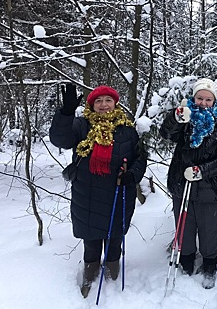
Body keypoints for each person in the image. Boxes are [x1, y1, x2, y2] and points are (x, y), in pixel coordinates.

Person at [49, 84, 147, 298]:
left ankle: (113, 264)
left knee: (115, 234)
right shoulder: (81, 125)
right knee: (91, 235)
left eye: (108, 100)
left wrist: (132, 175)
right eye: (99, 101)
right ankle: (91, 267)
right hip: (87, 191)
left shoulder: (127, 129)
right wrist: (65, 114)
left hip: (119, 190)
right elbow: (60, 140)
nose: (103, 105)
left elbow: (140, 158)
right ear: (92, 105)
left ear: (115, 103)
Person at [159, 78, 217, 289]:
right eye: (200, 98)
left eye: (208, 99)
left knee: (207, 228)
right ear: (193, 98)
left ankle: (210, 263)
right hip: (181, 183)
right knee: (184, 224)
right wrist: (175, 118)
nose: (203, 102)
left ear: (214, 101)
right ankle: (186, 258)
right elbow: (165, 134)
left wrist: (202, 171)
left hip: (209, 186)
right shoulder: (186, 117)